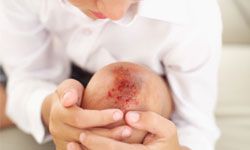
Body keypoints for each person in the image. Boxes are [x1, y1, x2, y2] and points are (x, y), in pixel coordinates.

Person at [0, 0, 222, 150]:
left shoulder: (195, 17)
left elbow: (196, 126)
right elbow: (27, 75)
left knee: (138, 92)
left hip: (152, 75)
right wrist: (49, 110)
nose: (114, 13)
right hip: (49, 55)